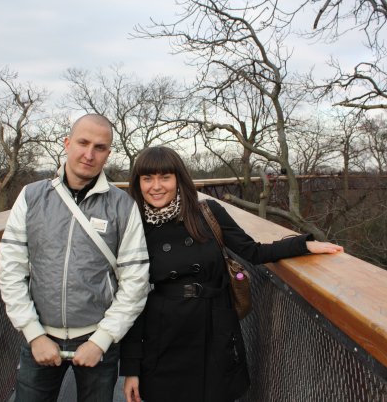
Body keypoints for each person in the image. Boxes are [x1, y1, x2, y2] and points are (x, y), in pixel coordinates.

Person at [120, 146, 343, 402]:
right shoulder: (135, 225)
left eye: (165, 177)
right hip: (164, 334)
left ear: (179, 179)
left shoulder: (207, 213)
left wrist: (303, 245)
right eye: (147, 178)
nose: (156, 186)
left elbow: (253, 251)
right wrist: (131, 369)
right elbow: (133, 296)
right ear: (138, 183)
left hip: (214, 327)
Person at [0, 114, 150, 402]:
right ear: (67, 143)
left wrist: (102, 340)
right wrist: (34, 333)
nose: (89, 154)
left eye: (100, 147)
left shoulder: (123, 206)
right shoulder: (31, 197)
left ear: (108, 154)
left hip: (98, 340)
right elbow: (10, 269)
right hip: (40, 338)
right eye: (83, 143)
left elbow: (136, 282)